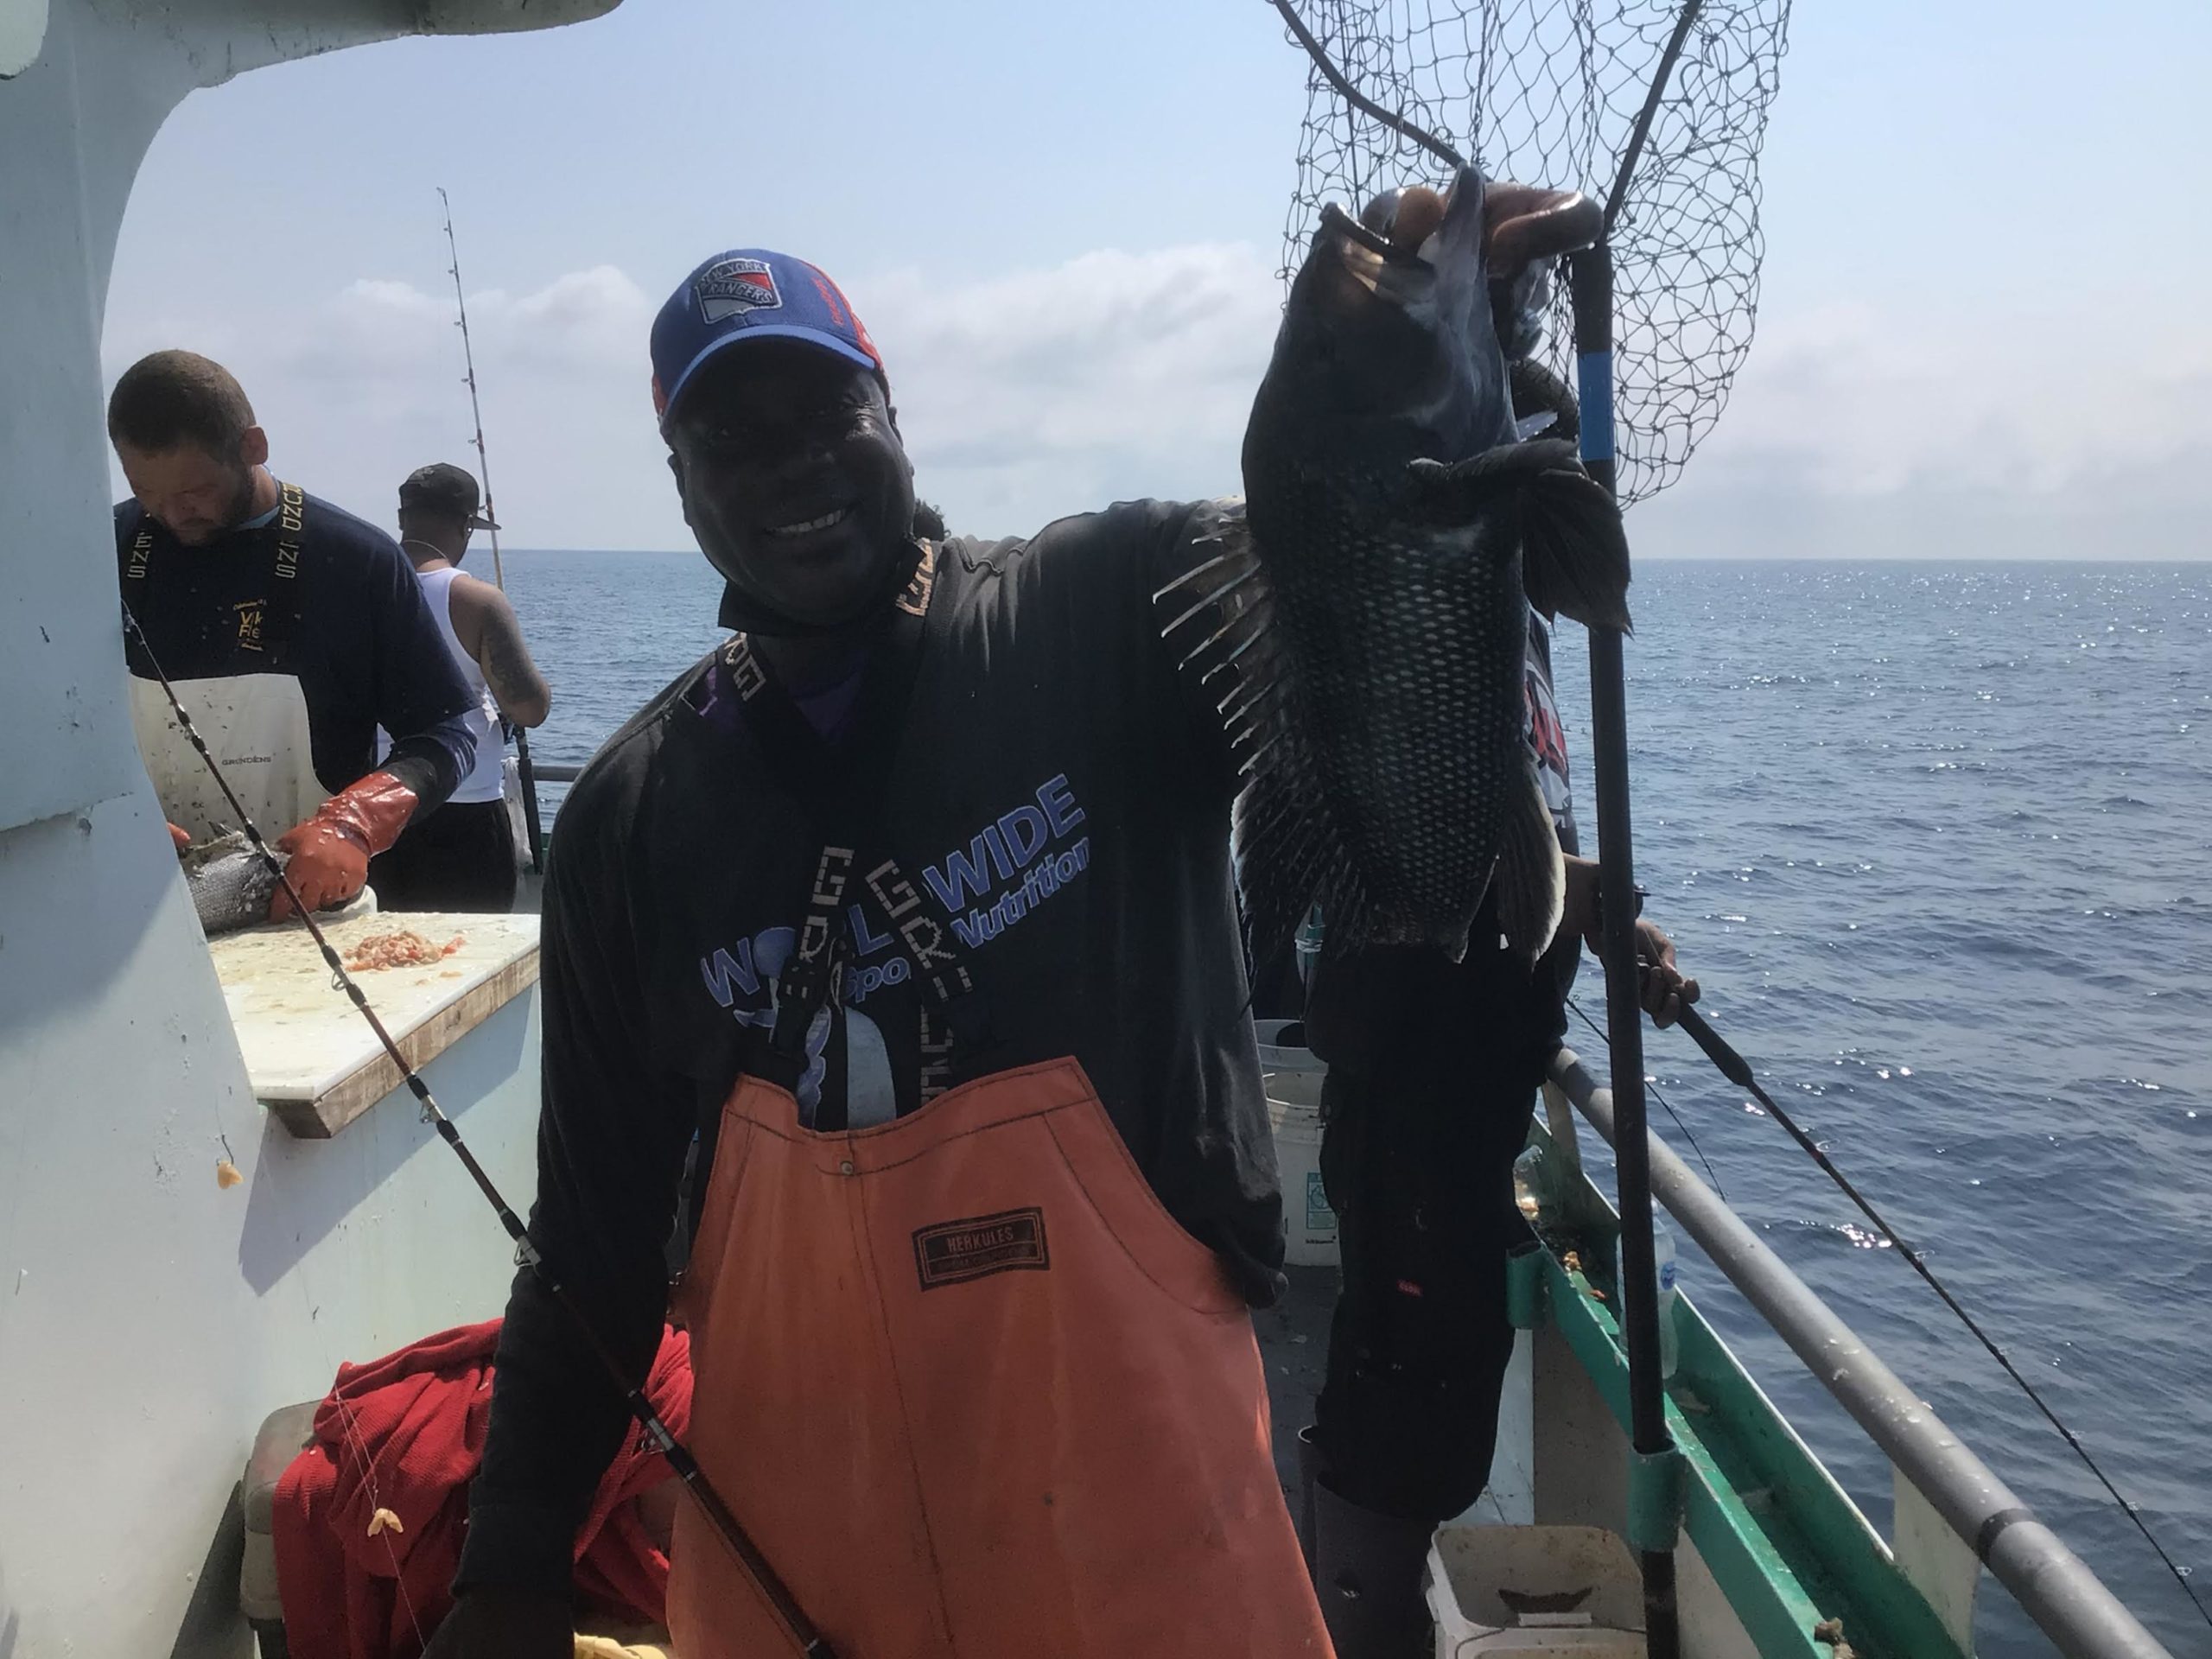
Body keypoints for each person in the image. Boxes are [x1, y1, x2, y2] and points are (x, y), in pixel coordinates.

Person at [1293, 359, 1700, 1658]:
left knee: (1448, 1373)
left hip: (1477, 1094)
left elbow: (1520, 833)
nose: (1559, 503)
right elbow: (1410, 847)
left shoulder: (1512, 624)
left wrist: (1601, 917)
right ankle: (1347, 1631)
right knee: (1397, 1408)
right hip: (1414, 1083)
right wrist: (1553, 887)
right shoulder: (1413, 618)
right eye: (1539, 474)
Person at [110, 350, 478, 919]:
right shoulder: (105, 546)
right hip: (139, 904)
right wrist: (109, 817)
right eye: (147, 494)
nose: (172, 515)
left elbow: (447, 733)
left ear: (252, 447)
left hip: (309, 905)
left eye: (194, 491)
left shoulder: (356, 559)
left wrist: (357, 822)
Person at [366, 461, 552, 913]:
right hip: (464, 806)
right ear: (466, 525)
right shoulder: (477, 600)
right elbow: (529, 707)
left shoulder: (356, 588)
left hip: (372, 806)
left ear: (401, 517)